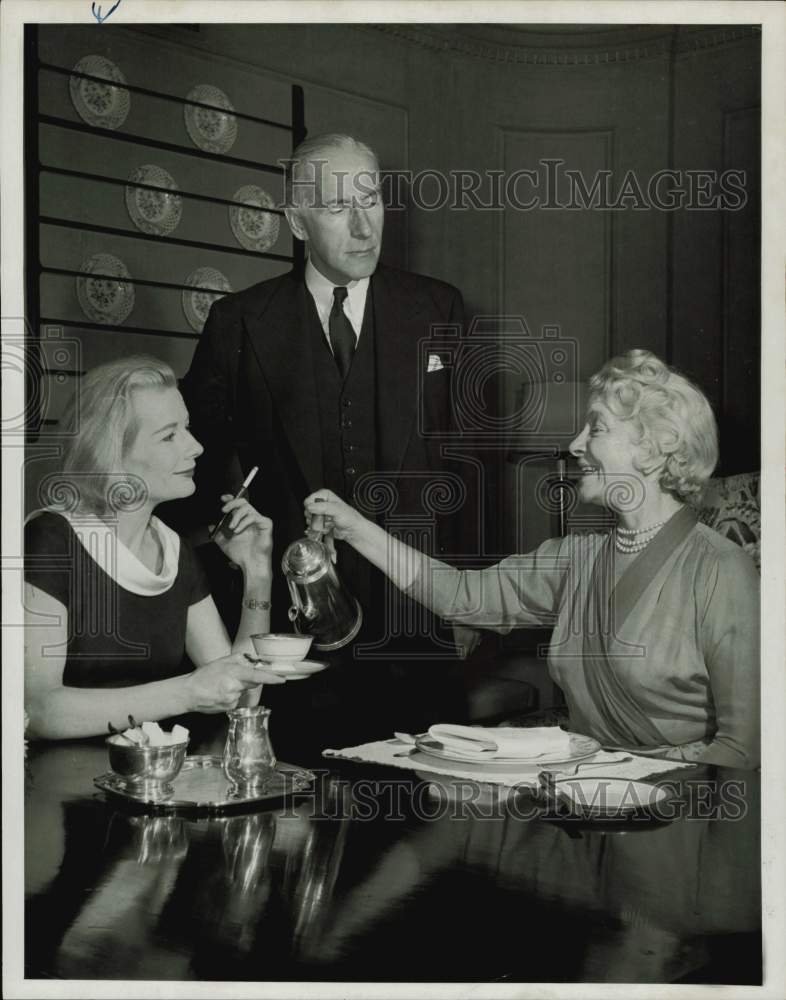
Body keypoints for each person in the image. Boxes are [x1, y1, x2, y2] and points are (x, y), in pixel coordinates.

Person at [304, 350, 760, 769]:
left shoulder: (721, 569)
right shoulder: (574, 557)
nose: (576, 444)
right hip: (584, 799)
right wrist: (356, 529)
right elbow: (463, 596)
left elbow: (743, 747)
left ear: (655, 447)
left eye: (596, 428)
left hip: (672, 818)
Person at [176, 132, 478, 754]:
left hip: (414, 622)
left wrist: (468, 596)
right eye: (340, 207)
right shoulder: (239, 322)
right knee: (299, 829)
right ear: (297, 221)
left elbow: (466, 466)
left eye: (373, 200)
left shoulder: (439, 309)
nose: (365, 225)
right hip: (290, 641)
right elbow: (194, 469)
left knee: (421, 826)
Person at [24, 356, 286, 741]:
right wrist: (187, 692)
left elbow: (242, 701)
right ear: (110, 455)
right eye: (169, 436)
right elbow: (36, 709)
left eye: (188, 428)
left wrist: (257, 573)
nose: (195, 447)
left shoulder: (174, 550)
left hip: (150, 785)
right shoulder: (50, 540)